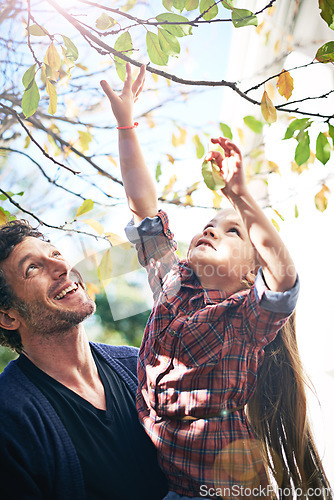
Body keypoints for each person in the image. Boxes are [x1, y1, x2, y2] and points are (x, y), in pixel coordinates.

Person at [100, 63, 333, 499]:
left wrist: (240, 197)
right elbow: (144, 208)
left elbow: (284, 278)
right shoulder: (174, 285)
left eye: (232, 231)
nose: (211, 230)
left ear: (251, 271)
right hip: (174, 482)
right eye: (210, 223)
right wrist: (126, 124)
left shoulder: (245, 320)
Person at [0, 221, 169, 499]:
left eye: (55, 254)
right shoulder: (10, 418)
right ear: (8, 316)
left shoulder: (137, 365)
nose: (62, 267)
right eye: (33, 268)